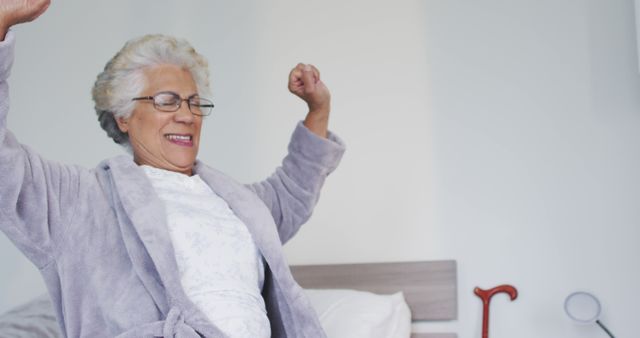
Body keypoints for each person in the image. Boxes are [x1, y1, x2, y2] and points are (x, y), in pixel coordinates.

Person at [0, 1, 344, 337]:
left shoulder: (239, 204)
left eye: (195, 102)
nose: (187, 115)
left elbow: (293, 191)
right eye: (167, 101)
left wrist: (318, 109)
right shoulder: (79, 200)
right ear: (123, 116)